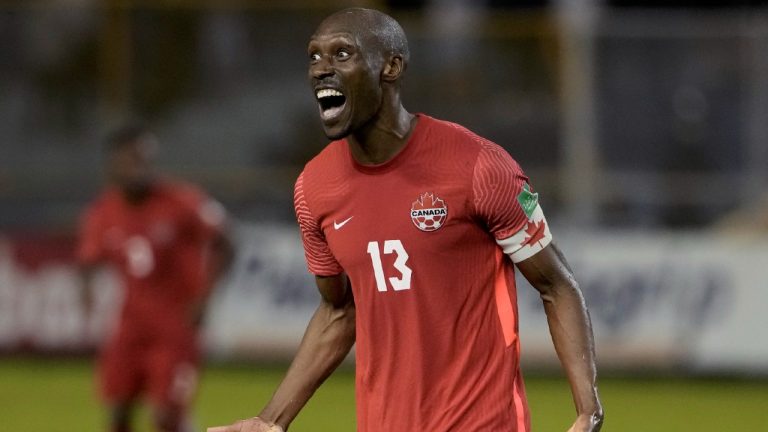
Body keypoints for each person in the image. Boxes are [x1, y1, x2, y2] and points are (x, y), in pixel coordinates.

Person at [209, 7, 602, 432]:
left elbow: (555, 284)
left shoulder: (479, 167)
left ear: (391, 67)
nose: (322, 69)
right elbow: (339, 310)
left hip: (483, 422)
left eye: (342, 54)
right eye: (314, 57)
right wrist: (271, 421)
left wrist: (587, 409)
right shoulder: (314, 189)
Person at [78, 124, 234, 432]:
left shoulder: (180, 201)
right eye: (130, 159)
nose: (139, 167)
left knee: (167, 417)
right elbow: (88, 259)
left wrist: (204, 298)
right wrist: (86, 290)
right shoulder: (103, 211)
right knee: (118, 413)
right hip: (130, 327)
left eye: (143, 159)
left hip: (175, 326)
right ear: (114, 163)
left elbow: (227, 242)